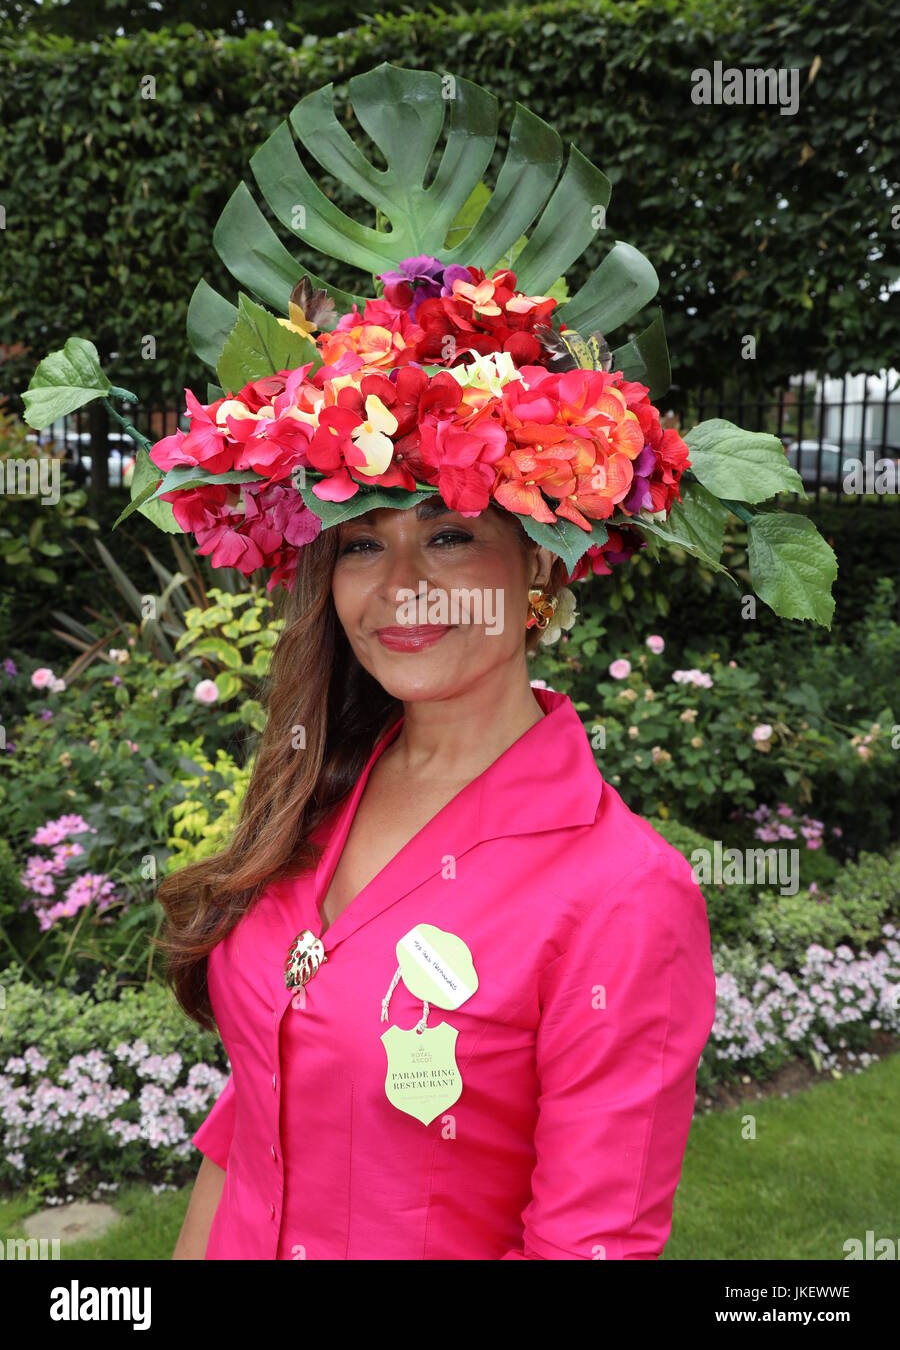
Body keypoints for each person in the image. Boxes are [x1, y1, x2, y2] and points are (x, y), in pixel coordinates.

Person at [168, 490, 716, 1260]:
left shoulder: (623, 895)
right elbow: (253, 1119)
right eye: (361, 545)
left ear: (542, 559)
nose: (399, 585)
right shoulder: (314, 792)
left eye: (449, 535)